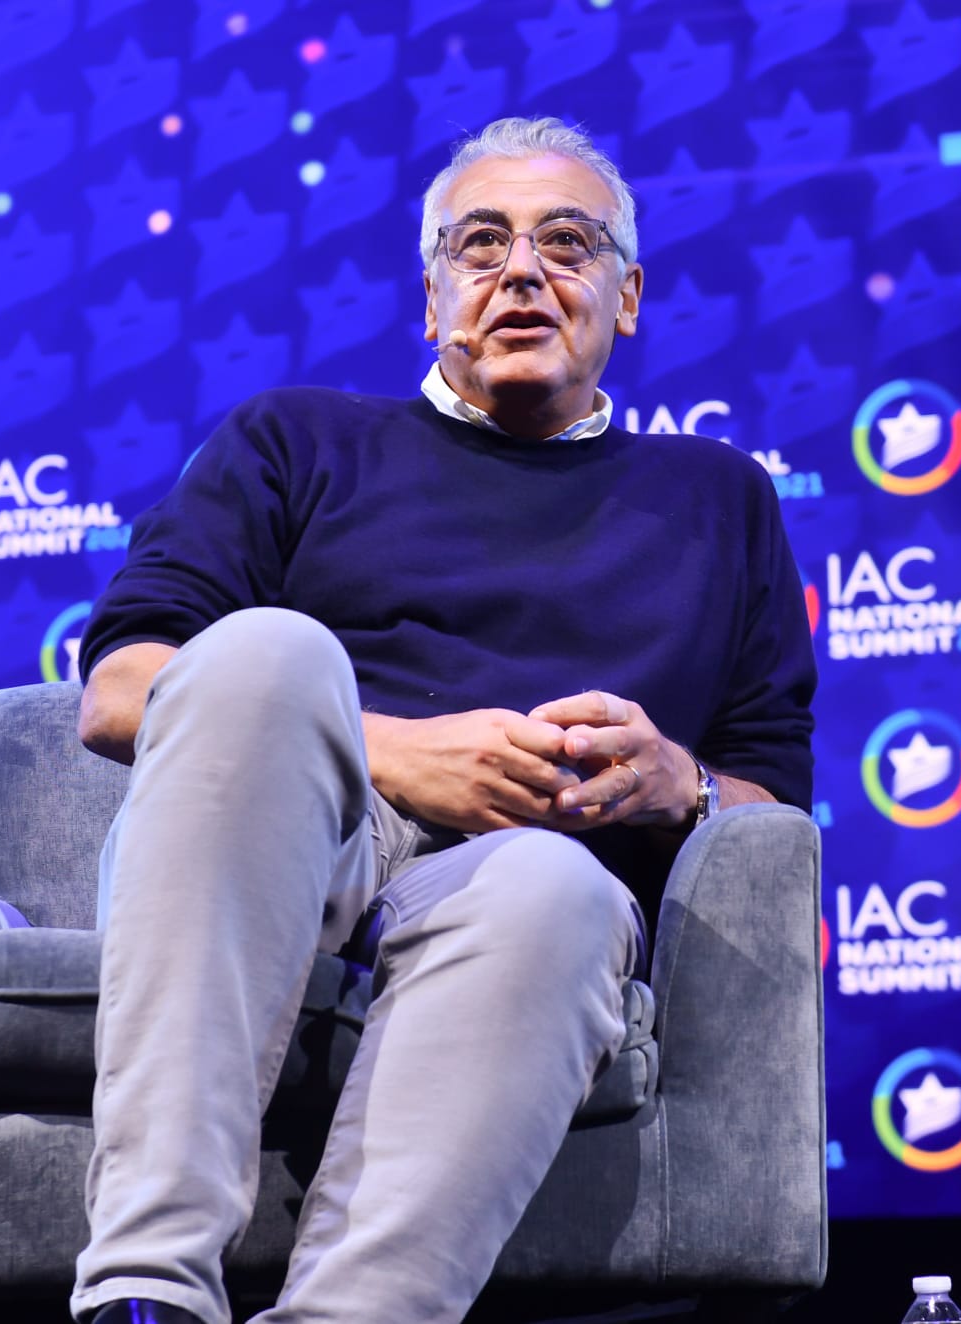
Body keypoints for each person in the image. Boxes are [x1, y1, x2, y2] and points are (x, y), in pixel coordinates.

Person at [70, 116, 815, 1324]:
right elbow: (119, 691)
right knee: (265, 652)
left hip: (520, 896)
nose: (522, 271)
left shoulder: (720, 498)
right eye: (482, 244)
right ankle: (145, 1297)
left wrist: (680, 780)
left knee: (559, 889)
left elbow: (773, 801)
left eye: (567, 242)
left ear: (627, 298)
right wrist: (406, 756)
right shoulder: (297, 438)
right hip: (286, 854)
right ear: (432, 301)